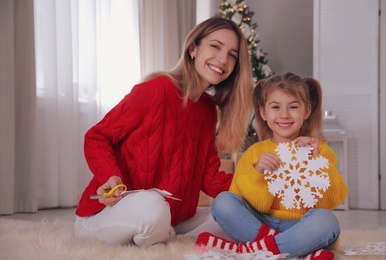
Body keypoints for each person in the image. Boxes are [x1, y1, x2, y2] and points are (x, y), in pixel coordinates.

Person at [74, 16, 254, 247]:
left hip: (171, 218)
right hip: (104, 217)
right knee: (153, 204)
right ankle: (161, 237)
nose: (222, 59)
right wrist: (109, 175)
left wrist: (256, 184)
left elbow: (210, 179)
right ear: (193, 49)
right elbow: (97, 136)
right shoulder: (156, 91)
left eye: (232, 55)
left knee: (234, 215)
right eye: (215, 46)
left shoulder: (208, 111)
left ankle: (162, 238)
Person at [196, 72, 349, 259]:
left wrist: (319, 162)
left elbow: (334, 199)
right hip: (261, 223)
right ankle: (298, 251)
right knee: (223, 201)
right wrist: (258, 172)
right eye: (275, 107)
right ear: (263, 112)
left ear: (307, 111)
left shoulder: (319, 149)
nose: (284, 115)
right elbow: (242, 202)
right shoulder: (255, 152)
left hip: (301, 226)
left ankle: (250, 250)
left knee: (327, 221)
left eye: (293, 107)